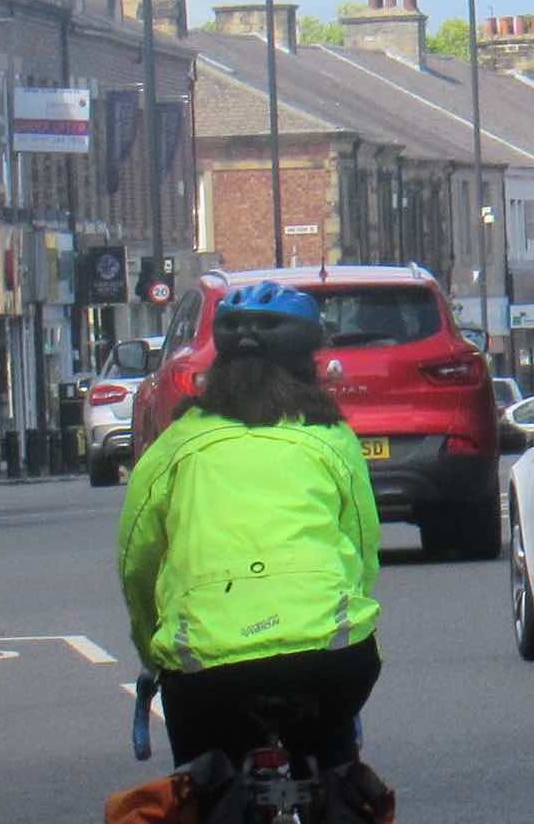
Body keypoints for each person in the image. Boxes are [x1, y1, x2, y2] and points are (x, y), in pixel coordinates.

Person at [117, 281, 383, 770]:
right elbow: (363, 548)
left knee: (205, 788)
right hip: (328, 653)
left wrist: (150, 643)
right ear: (309, 364)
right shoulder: (331, 438)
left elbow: (137, 559)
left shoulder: (178, 444)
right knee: (335, 771)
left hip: (204, 665)